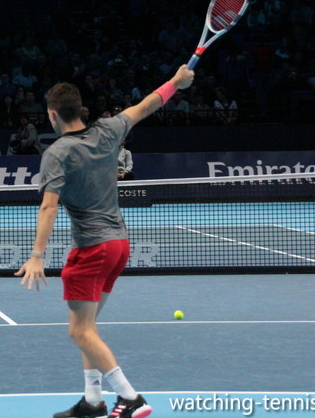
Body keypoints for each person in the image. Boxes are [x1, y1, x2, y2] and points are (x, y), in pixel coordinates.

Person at [15, 64, 194, 418]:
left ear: (53, 115)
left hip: (92, 249)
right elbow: (147, 104)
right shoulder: (110, 130)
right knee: (89, 327)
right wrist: (176, 82)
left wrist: (37, 255)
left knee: (79, 332)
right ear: (79, 108)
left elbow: (49, 206)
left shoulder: (57, 152)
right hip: (118, 246)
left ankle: (130, 397)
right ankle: (93, 400)